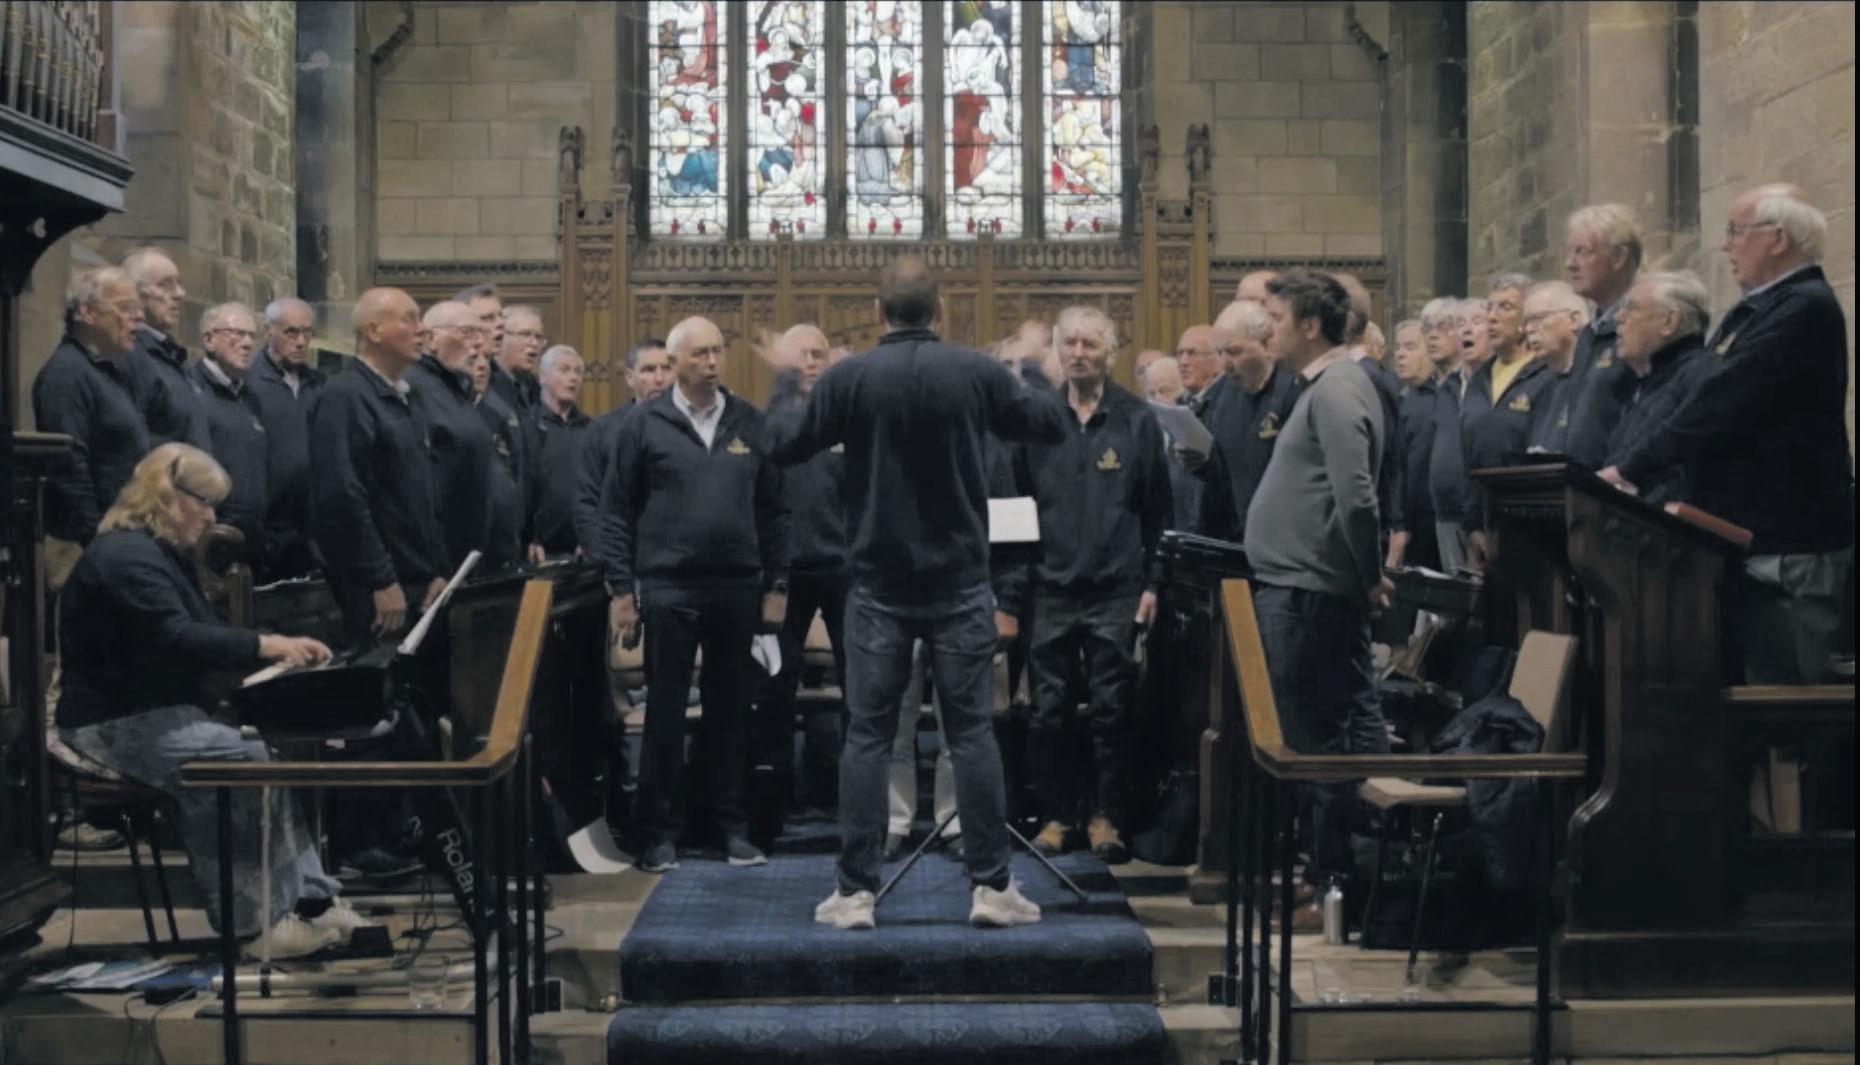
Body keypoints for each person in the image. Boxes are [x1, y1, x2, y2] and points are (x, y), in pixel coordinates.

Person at [766, 255, 1067, 930]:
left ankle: (855, 892)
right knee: (973, 735)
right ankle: (991, 887)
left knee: (868, 737)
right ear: (941, 310)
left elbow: (782, 444)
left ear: (877, 313)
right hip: (960, 582)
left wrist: (786, 378)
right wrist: (1027, 365)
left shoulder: (849, 377)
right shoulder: (975, 371)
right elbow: (1051, 425)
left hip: (877, 584)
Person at [54, 443, 366, 957]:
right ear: (168, 495)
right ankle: (255, 925)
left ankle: (310, 900)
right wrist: (266, 645)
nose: (211, 518)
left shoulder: (153, 554)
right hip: (107, 726)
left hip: (152, 712)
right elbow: (176, 636)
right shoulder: (124, 557)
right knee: (236, 759)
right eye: (205, 503)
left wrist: (266, 666)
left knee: (262, 746)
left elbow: (194, 637)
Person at [1603, 184, 1854, 684]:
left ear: (1777, 238)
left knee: (1786, 696)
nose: (1727, 245)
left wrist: (1628, 469)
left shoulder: (1803, 308)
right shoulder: (1759, 310)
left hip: (1789, 544)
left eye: (1737, 232)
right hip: (1748, 540)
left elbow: (1719, 403)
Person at [599, 316, 788, 874]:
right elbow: (616, 512)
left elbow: (775, 510)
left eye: (717, 352)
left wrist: (778, 583)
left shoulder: (749, 422)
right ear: (675, 362)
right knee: (665, 711)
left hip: (737, 586)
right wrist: (621, 589)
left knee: (731, 711)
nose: (712, 362)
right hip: (667, 586)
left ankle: (730, 826)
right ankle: (659, 833)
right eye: (700, 354)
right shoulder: (643, 425)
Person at [1244, 269, 1389, 929]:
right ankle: (1320, 879)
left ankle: (1330, 885)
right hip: (1298, 587)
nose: (1266, 329)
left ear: (1309, 325)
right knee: (1310, 740)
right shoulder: (1322, 387)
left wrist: (1368, 575)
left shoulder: (1337, 389)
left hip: (1311, 593)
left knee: (1319, 746)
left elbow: (1356, 497)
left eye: (1276, 319)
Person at [1008, 306, 1170, 864]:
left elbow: (1158, 512)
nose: (1079, 354)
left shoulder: (1137, 419)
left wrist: (1153, 584)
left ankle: (1106, 817)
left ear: (1110, 353)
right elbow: (1015, 510)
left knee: (1112, 710)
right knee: (1047, 712)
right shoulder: (1036, 419)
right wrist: (1014, 592)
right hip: (1049, 588)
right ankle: (1058, 815)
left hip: (1116, 588)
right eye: (1070, 343)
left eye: (1090, 345)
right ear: (1058, 351)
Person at [307, 288, 449, 647]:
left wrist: (435, 569)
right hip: (380, 588)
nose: (422, 329)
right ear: (373, 331)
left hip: (418, 581)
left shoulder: (408, 396)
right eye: (409, 319)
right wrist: (380, 579)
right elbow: (343, 495)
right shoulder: (345, 395)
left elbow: (422, 494)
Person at [754, 324, 851, 827]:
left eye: (820, 353)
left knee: (862, 688)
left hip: (844, 570)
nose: (813, 362)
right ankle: (775, 803)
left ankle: (852, 795)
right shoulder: (768, 421)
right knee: (775, 687)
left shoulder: (848, 421)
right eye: (802, 355)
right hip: (785, 575)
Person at [32, 267, 151, 550]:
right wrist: (96, 541)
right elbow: (69, 466)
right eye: (126, 308)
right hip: (88, 543)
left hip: (121, 535)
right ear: (88, 313)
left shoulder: (108, 372)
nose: (139, 317)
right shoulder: (67, 373)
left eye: (138, 308)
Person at [1595, 272, 1713, 504]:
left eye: (1631, 308)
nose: (1618, 317)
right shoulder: (1646, 382)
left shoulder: (1698, 375)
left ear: (1670, 322)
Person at [1460, 274, 1551, 571]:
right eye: (1490, 307)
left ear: (1527, 320)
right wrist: (1473, 525)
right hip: (1482, 525)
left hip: (1530, 527)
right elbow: (1468, 458)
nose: (1492, 317)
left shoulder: (1544, 376)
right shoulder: (1479, 380)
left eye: (1505, 307)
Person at [1190, 300, 1298, 543]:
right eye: (1220, 353)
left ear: (1267, 343)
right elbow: (1221, 470)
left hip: (1282, 538)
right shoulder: (1223, 393)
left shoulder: (1294, 389)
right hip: (1232, 539)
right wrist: (1199, 462)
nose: (1225, 365)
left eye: (1234, 352)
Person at [411, 301, 499, 572]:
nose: (479, 343)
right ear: (431, 339)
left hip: (469, 559)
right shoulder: (414, 387)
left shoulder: (454, 388)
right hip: (434, 563)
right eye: (467, 332)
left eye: (480, 334)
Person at [186, 303, 270, 565]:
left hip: (250, 536)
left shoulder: (250, 397)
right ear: (209, 340)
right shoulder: (190, 391)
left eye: (252, 336)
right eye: (237, 333)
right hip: (210, 535)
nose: (247, 343)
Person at [246, 298, 324, 579]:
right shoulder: (248, 382)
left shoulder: (319, 384)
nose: (301, 342)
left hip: (312, 526)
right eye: (291, 332)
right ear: (268, 331)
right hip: (267, 524)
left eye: (307, 332)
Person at [1562, 203, 1643, 467]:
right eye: (1569, 252)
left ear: (1618, 257)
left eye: (1582, 251)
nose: (1570, 264)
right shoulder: (1588, 334)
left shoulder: (1644, 325)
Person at [121, 247, 211, 450]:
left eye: (179, 284)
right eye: (164, 285)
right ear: (133, 292)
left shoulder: (170, 354)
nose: (180, 294)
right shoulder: (129, 354)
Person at [526, 345, 590, 557]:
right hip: (538, 550)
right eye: (564, 370)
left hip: (583, 550)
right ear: (542, 376)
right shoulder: (527, 424)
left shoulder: (592, 429)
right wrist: (530, 536)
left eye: (578, 372)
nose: (573, 378)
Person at [1387, 319, 1439, 569]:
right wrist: (1399, 524)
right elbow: (1398, 466)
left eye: (1410, 347)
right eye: (1397, 348)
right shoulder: (1402, 398)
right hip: (1411, 522)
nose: (1400, 354)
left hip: (1439, 518)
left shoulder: (1444, 395)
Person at [1520, 281, 1593, 454]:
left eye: (1537, 319)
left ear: (1574, 320)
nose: (1528, 329)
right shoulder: (1540, 387)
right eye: (1526, 322)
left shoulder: (1597, 378)